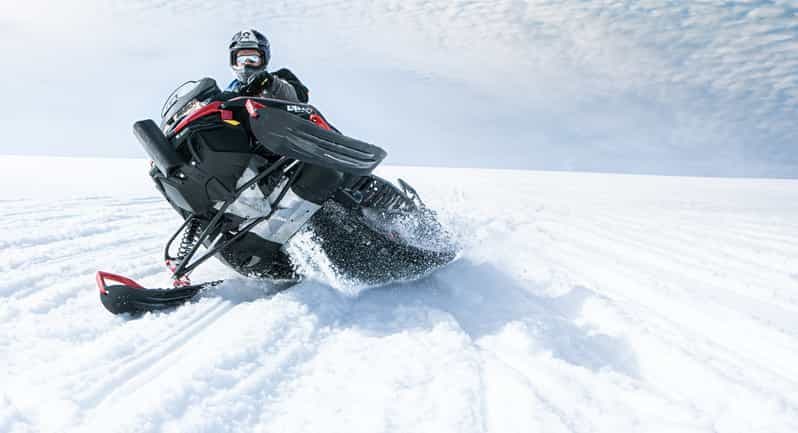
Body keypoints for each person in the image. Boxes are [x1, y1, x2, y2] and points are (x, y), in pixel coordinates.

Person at [226, 29, 308, 103]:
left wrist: (272, 83)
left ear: (264, 60)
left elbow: (301, 98)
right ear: (234, 62)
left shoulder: (282, 76)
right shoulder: (230, 90)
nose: (247, 64)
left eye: (253, 59)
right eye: (241, 60)